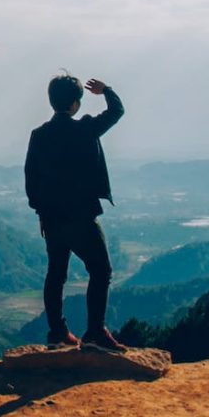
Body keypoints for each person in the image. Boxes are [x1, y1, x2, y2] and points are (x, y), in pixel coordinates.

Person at [24, 73, 126, 351]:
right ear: (74, 104)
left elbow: (30, 178)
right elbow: (117, 111)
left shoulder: (39, 135)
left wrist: (41, 210)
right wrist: (107, 90)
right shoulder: (85, 129)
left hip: (52, 219)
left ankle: (58, 332)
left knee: (56, 274)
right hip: (81, 217)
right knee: (101, 270)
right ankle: (94, 332)